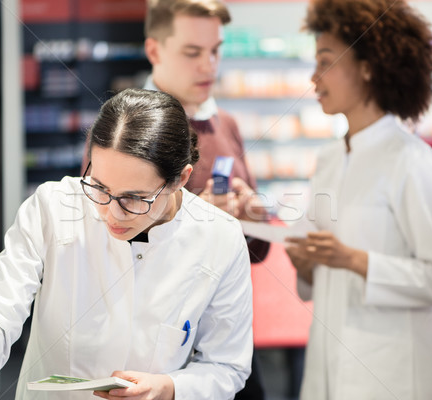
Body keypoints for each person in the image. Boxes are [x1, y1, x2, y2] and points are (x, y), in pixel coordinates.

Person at [0, 88, 254, 400]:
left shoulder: (220, 238)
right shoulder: (51, 208)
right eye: (99, 186)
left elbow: (227, 366)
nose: (111, 212)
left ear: (180, 179)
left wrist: (168, 388)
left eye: (134, 199)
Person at [284, 1, 432, 399]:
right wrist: (305, 262)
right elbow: (313, 276)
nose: (314, 78)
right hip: (326, 374)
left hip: (391, 378)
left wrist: (355, 260)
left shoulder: (412, 161)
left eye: (326, 61)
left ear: (368, 66)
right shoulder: (329, 159)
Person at [144, 1, 270, 398]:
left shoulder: (225, 124)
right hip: (156, 355)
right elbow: (105, 239)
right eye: (192, 52)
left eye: (215, 50)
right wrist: (196, 220)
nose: (208, 65)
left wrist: (252, 217)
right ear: (155, 51)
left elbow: (252, 251)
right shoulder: (125, 127)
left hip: (228, 342)